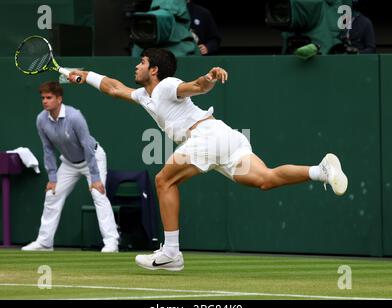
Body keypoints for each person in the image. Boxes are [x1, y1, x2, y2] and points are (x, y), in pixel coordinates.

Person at [68, 48, 348, 271]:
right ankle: (320, 171)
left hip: (205, 137)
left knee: (163, 181)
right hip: (224, 137)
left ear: (153, 69)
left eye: (141, 62)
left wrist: (209, 79)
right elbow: (114, 87)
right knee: (266, 180)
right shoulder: (145, 95)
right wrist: (85, 74)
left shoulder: (167, 85)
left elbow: (195, 86)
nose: (136, 67)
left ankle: (171, 252)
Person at [22, 81, 119, 253]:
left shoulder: (75, 116)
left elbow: (87, 146)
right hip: (68, 163)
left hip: (93, 158)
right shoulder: (41, 120)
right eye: (42, 98)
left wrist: (95, 178)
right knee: (52, 195)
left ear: (59, 99)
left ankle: (111, 242)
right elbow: (48, 149)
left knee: (99, 194)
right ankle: (44, 242)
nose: (45, 101)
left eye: (49, 97)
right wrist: (52, 177)